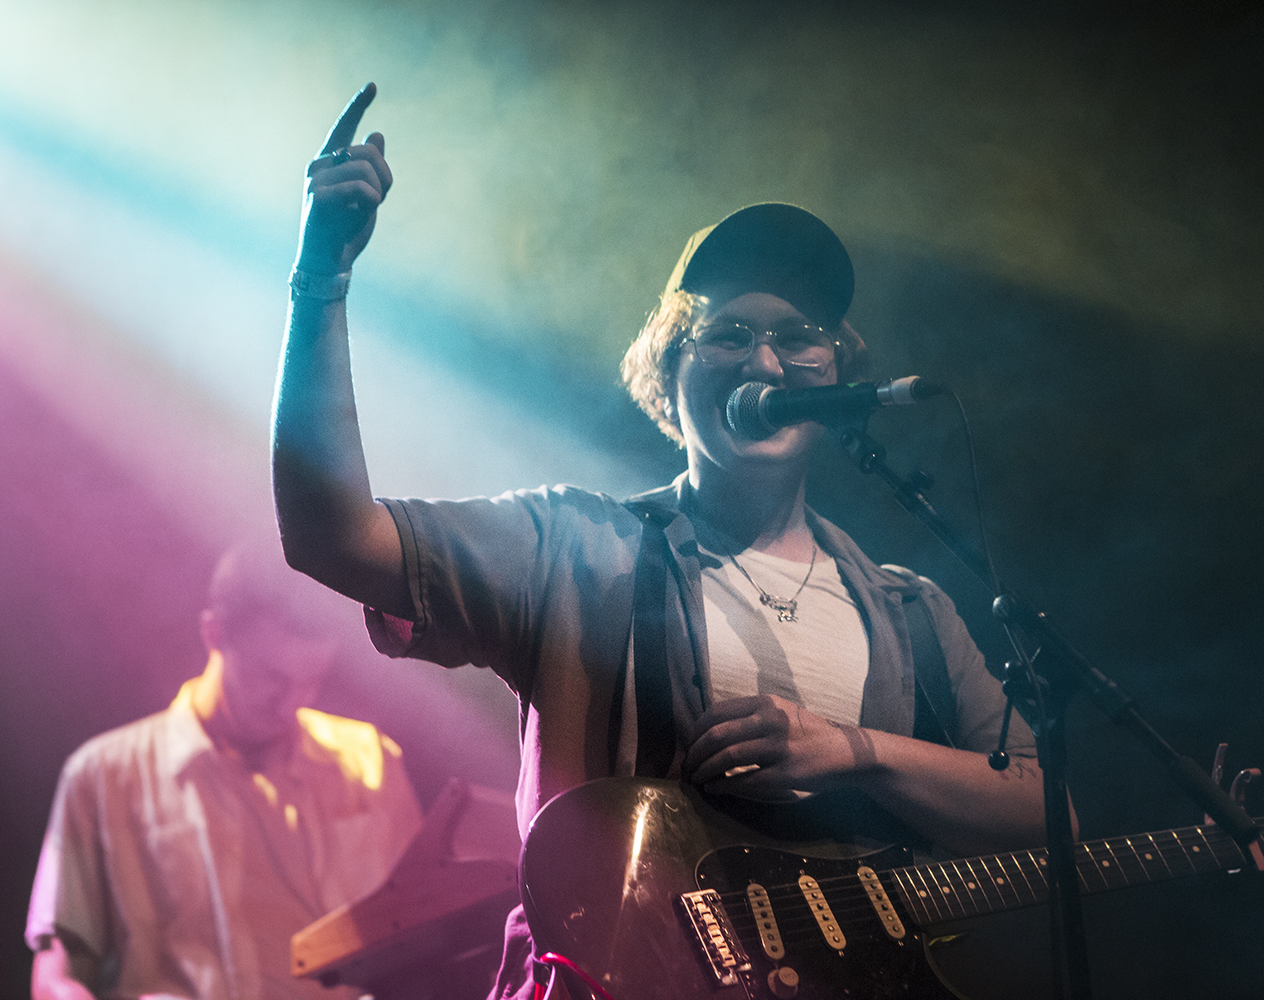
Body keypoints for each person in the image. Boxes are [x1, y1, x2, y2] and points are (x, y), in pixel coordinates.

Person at [270, 86, 1066, 999]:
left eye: (798, 340)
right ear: (670, 370)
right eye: (728, 336)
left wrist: (857, 751)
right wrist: (321, 279)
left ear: (839, 373)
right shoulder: (572, 546)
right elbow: (334, 536)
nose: (766, 363)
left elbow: (1050, 813)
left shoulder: (910, 610)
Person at [25, 540, 422, 1000]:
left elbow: (421, 938)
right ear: (214, 632)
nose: (290, 702)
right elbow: (56, 979)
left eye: (311, 681)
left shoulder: (371, 761)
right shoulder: (101, 776)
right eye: (270, 677)